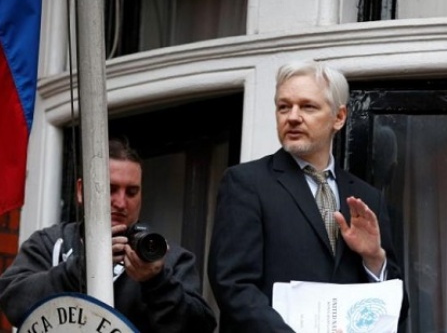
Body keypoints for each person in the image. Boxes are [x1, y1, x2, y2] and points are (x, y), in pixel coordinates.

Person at [207, 60, 409, 333]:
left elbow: (397, 309)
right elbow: (233, 287)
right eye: (283, 106)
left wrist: (374, 258)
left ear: (339, 117)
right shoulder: (246, 183)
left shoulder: (367, 198)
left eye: (307, 106)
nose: (292, 116)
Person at [0, 137, 217, 332]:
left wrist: (157, 282)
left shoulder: (168, 258)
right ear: (80, 191)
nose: (121, 203)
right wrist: (81, 269)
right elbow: (13, 302)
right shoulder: (50, 243)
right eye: (110, 189)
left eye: (132, 192)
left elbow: (200, 327)